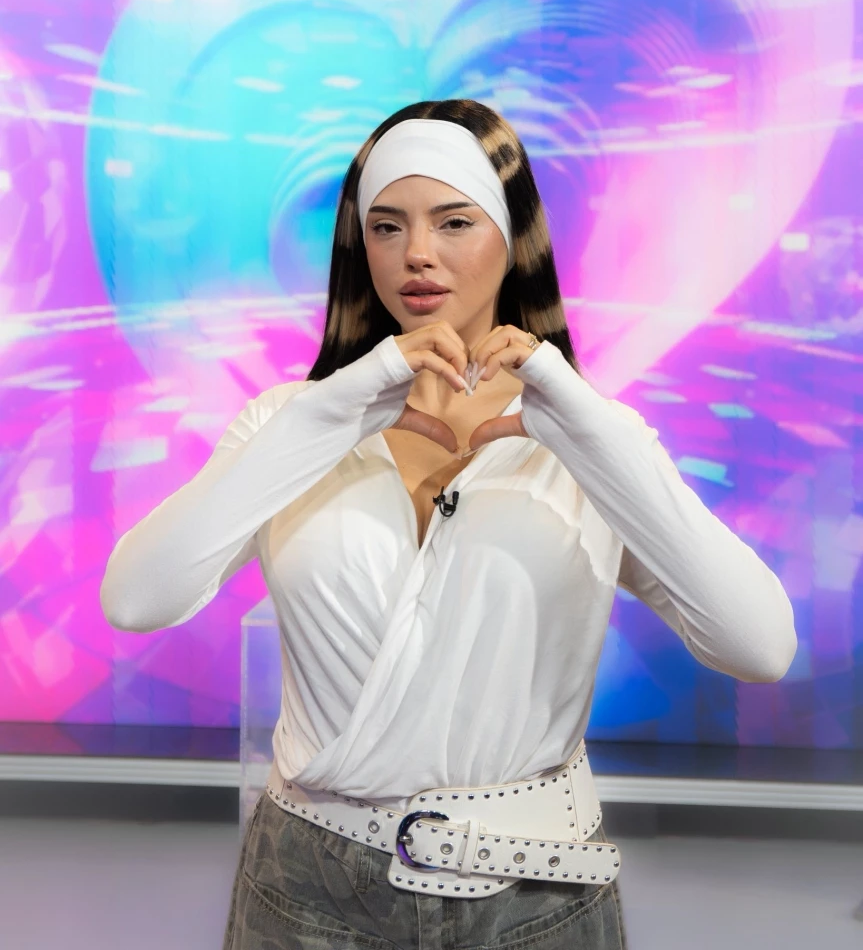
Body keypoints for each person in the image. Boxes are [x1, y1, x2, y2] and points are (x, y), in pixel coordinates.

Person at [100, 99, 798, 950]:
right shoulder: (289, 423)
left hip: (536, 896)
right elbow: (137, 598)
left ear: (513, 238)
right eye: (386, 226)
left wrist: (586, 429)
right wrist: (328, 415)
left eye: (454, 221)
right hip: (306, 893)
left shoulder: (591, 439)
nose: (417, 254)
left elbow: (758, 646)